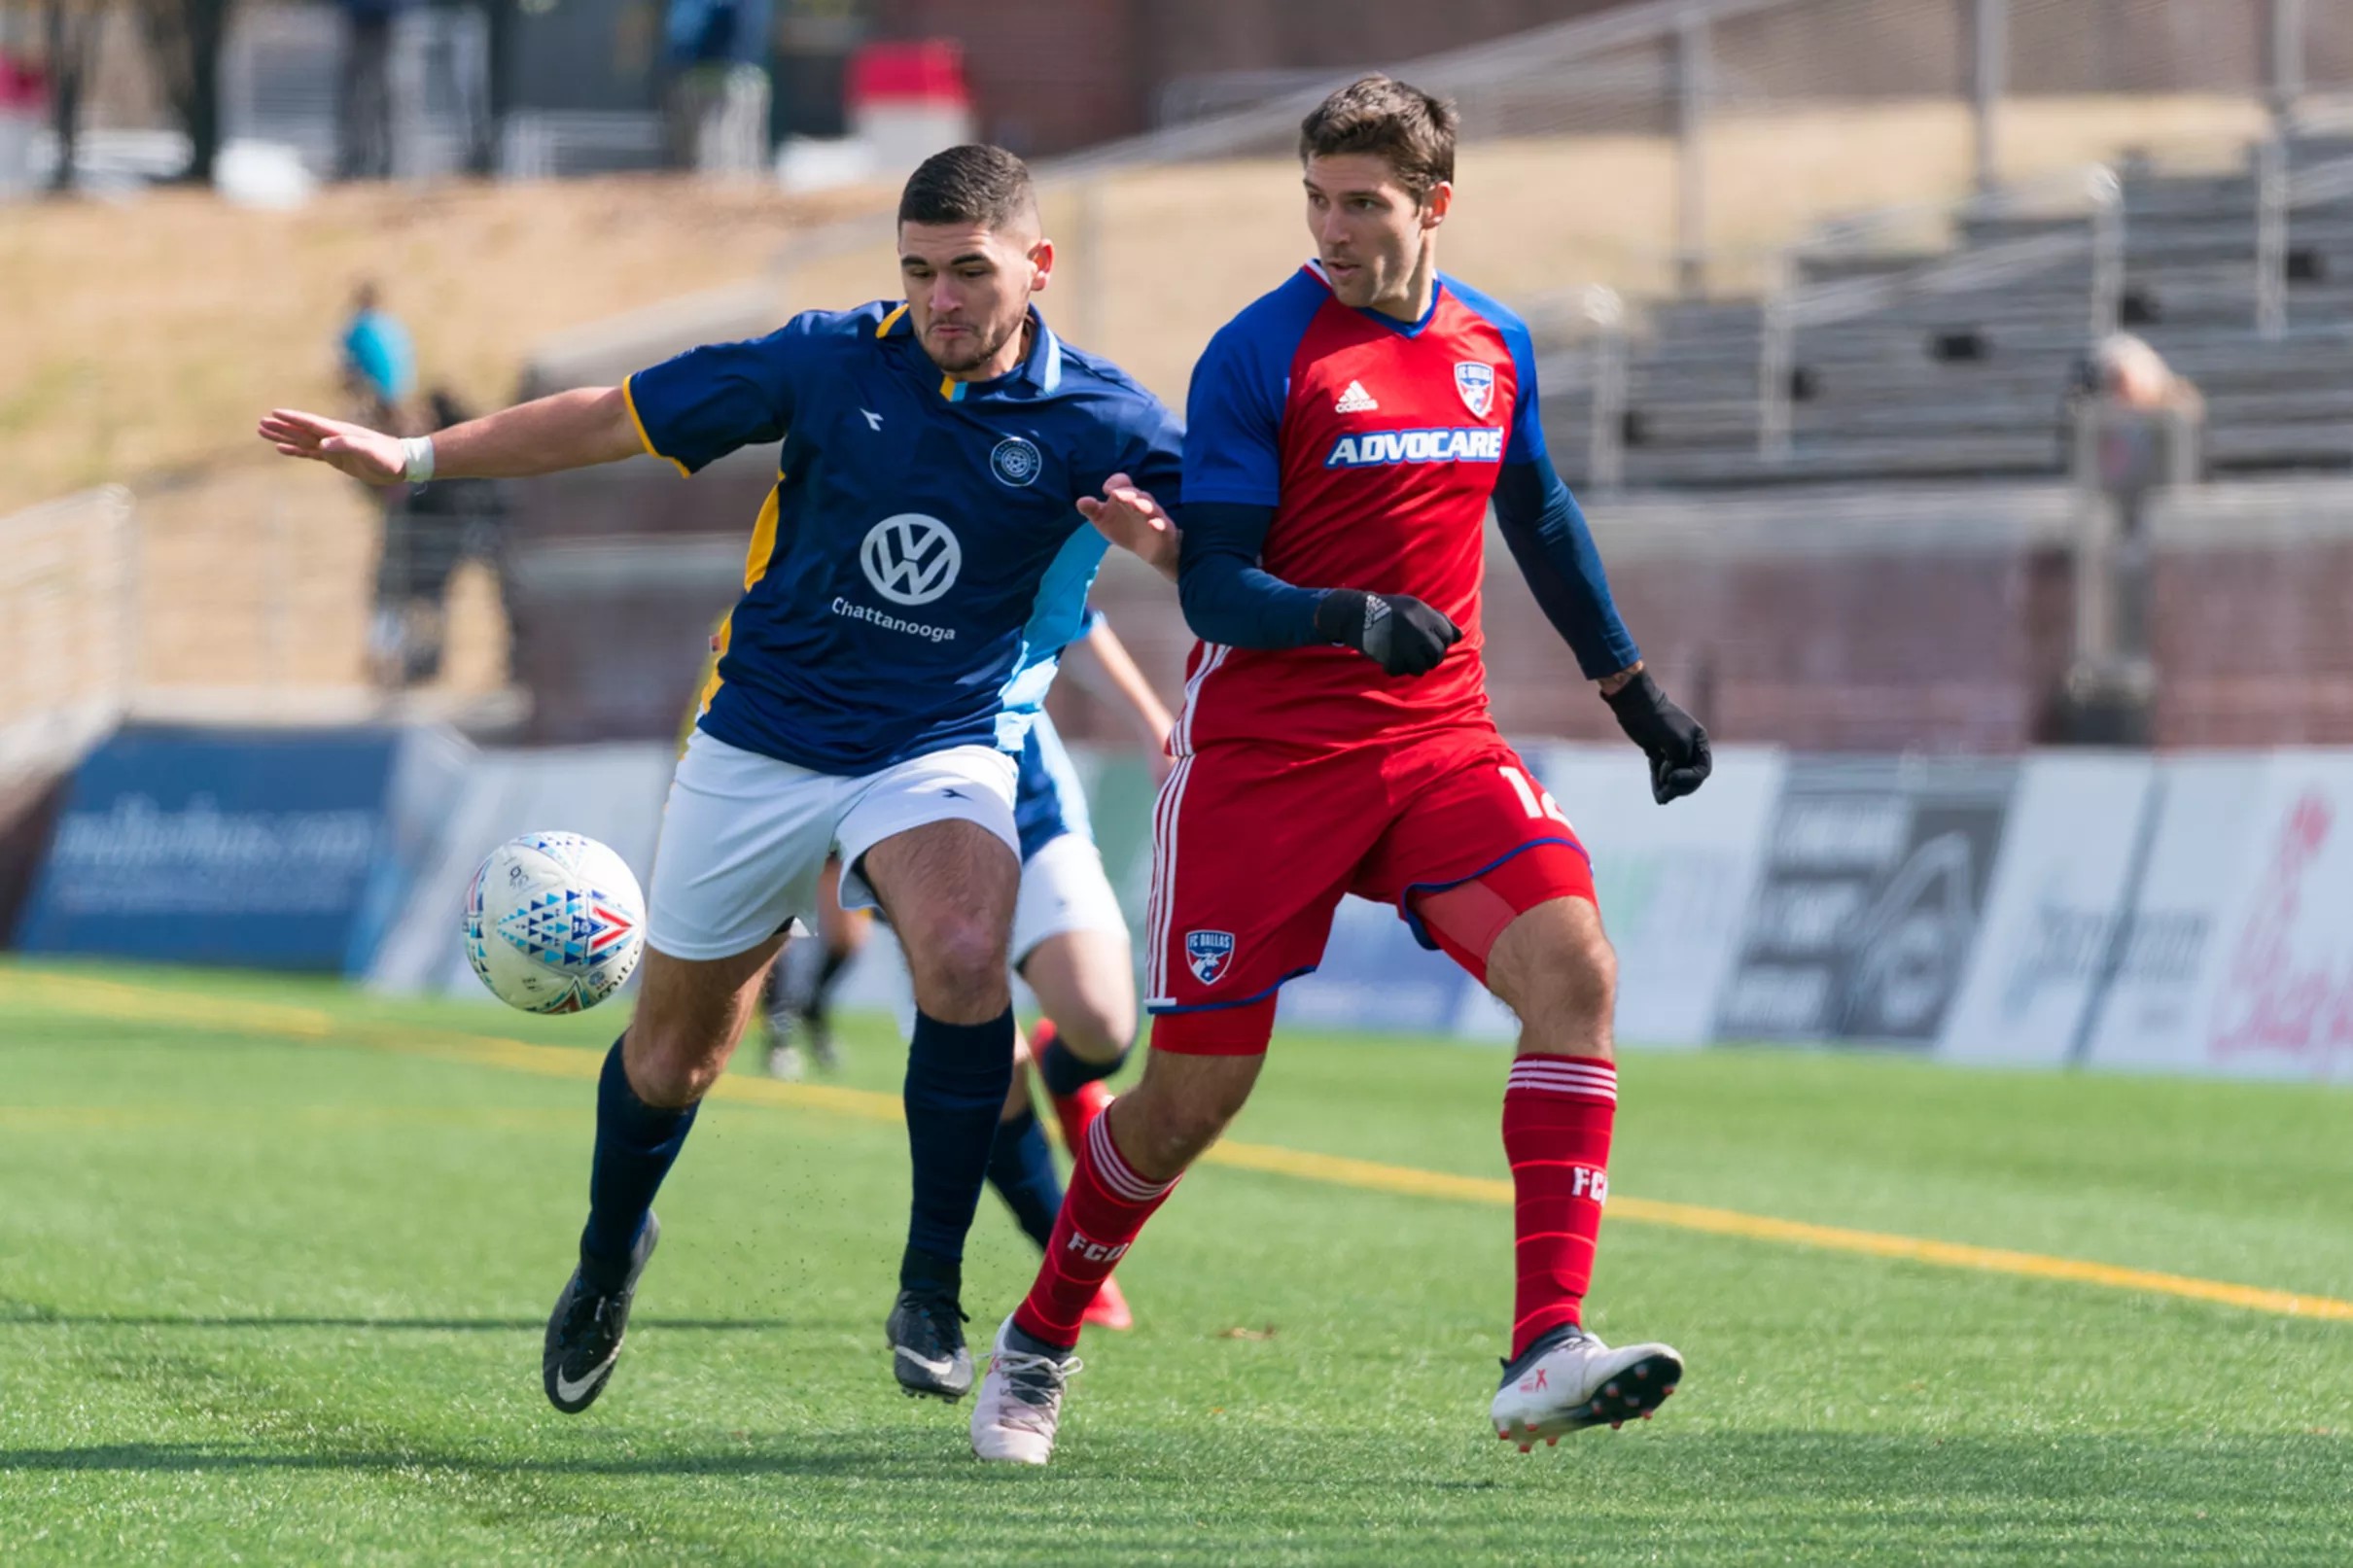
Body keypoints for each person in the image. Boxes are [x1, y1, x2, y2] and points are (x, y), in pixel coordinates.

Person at [260, 143, 1183, 1412]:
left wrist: (1178, 550)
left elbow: (1229, 551)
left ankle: (930, 1286)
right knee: (675, 1055)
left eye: (970, 272)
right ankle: (605, 1256)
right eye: (918, 274)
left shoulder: (1108, 418)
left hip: (939, 745)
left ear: (1039, 263)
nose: (941, 303)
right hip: (760, 740)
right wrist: (418, 462)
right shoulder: (828, 359)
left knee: (968, 947)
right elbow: (612, 414)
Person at [968, 76, 1713, 1466]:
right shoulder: (1262, 356)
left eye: (1361, 203)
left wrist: (1631, 687)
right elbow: (1219, 591)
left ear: (1434, 205)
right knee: (1192, 1100)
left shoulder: (1495, 343)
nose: (1332, 228)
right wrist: (1347, 616)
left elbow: (1537, 513)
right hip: (1263, 764)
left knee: (1578, 973)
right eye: (1315, 199)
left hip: (1438, 744)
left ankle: (1547, 1342)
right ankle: (1040, 1337)